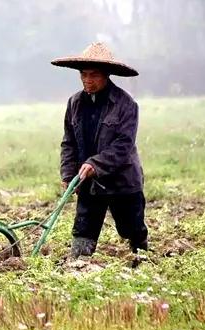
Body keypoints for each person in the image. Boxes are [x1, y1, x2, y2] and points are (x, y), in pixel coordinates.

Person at [52, 42, 148, 257]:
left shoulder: (125, 104)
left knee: (132, 229)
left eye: (93, 75)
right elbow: (69, 142)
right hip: (88, 181)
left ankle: (142, 260)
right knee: (83, 231)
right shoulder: (75, 103)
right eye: (83, 75)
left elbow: (124, 145)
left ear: (106, 75)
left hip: (122, 181)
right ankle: (77, 266)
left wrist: (95, 164)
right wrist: (68, 174)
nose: (87, 80)